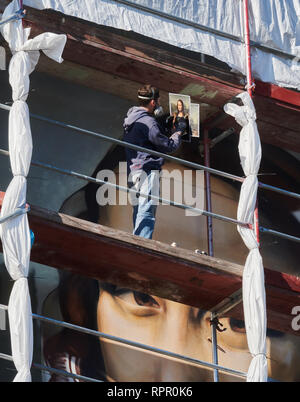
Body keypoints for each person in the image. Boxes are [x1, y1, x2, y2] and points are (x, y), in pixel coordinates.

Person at [123, 84, 186, 239]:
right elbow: (168, 146)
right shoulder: (149, 123)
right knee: (147, 209)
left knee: (139, 209)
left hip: (133, 170)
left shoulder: (131, 120)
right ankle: (142, 242)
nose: (158, 105)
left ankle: (137, 239)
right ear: (153, 102)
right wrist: (179, 131)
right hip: (147, 169)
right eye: (158, 101)